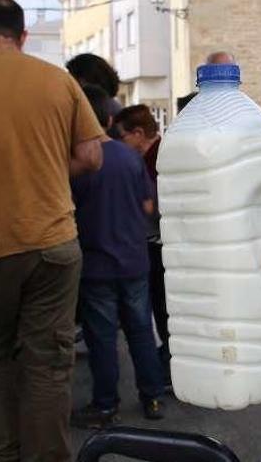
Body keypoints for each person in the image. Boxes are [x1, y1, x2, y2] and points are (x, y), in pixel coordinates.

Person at [0, 0, 103, 461]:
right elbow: (92, 156)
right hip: (54, 243)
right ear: (23, 36)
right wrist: (44, 167)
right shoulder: (58, 79)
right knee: (48, 364)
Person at [69, 85, 166, 428]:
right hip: (135, 260)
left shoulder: (75, 162)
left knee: (102, 338)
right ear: (109, 119)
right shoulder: (130, 158)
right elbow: (148, 206)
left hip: (96, 265)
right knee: (141, 330)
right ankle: (153, 397)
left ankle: (105, 406)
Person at [113, 104, 170, 385]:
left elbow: (156, 207)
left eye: (122, 137)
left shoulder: (157, 158)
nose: (121, 144)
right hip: (158, 243)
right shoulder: (153, 155)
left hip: (159, 244)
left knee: (163, 309)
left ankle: (169, 369)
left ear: (138, 134)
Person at [66, 53, 124, 138]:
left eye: (71, 79)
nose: (68, 84)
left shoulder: (92, 109)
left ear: (83, 81)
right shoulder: (114, 108)